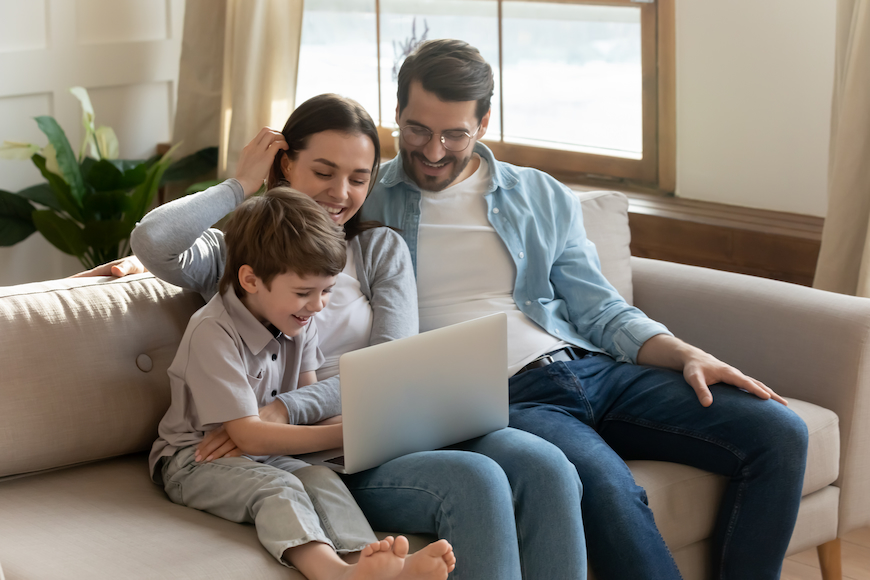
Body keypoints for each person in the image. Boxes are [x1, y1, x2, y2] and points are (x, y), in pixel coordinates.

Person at [355, 39, 810, 580]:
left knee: (780, 432)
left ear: (484, 122)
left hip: (592, 367)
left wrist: (687, 354)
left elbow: (600, 310)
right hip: (504, 400)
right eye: (417, 130)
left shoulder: (540, 195)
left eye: (454, 133)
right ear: (397, 113)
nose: (433, 151)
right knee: (607, 487)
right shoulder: (362, 194)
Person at [119, 94, 587, 580]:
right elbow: (154, 241)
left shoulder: (380, 248)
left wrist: (283, 409)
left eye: (359, 179)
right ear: (284, 165)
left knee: (547, 468)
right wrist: (241, 184)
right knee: (479, 481)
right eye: (323, 173)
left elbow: (390, 366)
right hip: (327, 447)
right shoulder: (240, 253)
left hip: (375, 422)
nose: (340, 193)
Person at [150, 186, 455, 579]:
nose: (318, 305)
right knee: (279, 488)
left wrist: (379, 430)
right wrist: (347, 433)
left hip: (259, 454)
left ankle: (368, 563)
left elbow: (307, 411)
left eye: (327, 291)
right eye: (303, 293)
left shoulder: (297, 322)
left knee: (320, 477)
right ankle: (333, 573)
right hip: (194, 461)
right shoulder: (213, 331)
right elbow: (250, 437)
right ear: (251, 279)